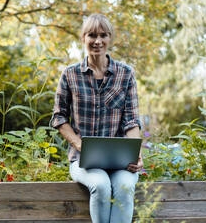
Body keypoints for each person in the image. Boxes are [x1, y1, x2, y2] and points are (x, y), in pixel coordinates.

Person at [50, 13, 143, 223]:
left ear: (110, 38)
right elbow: (59, 117)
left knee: (126, 186)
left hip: (119, 162)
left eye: (103, 35)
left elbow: (131, 120)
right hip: (83, 161)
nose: (98, 41)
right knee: (100, 185)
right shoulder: (70, 74)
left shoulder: (125, 74)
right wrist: (81, 145)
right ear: (83, 38)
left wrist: (135, 153)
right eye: (92, 35)